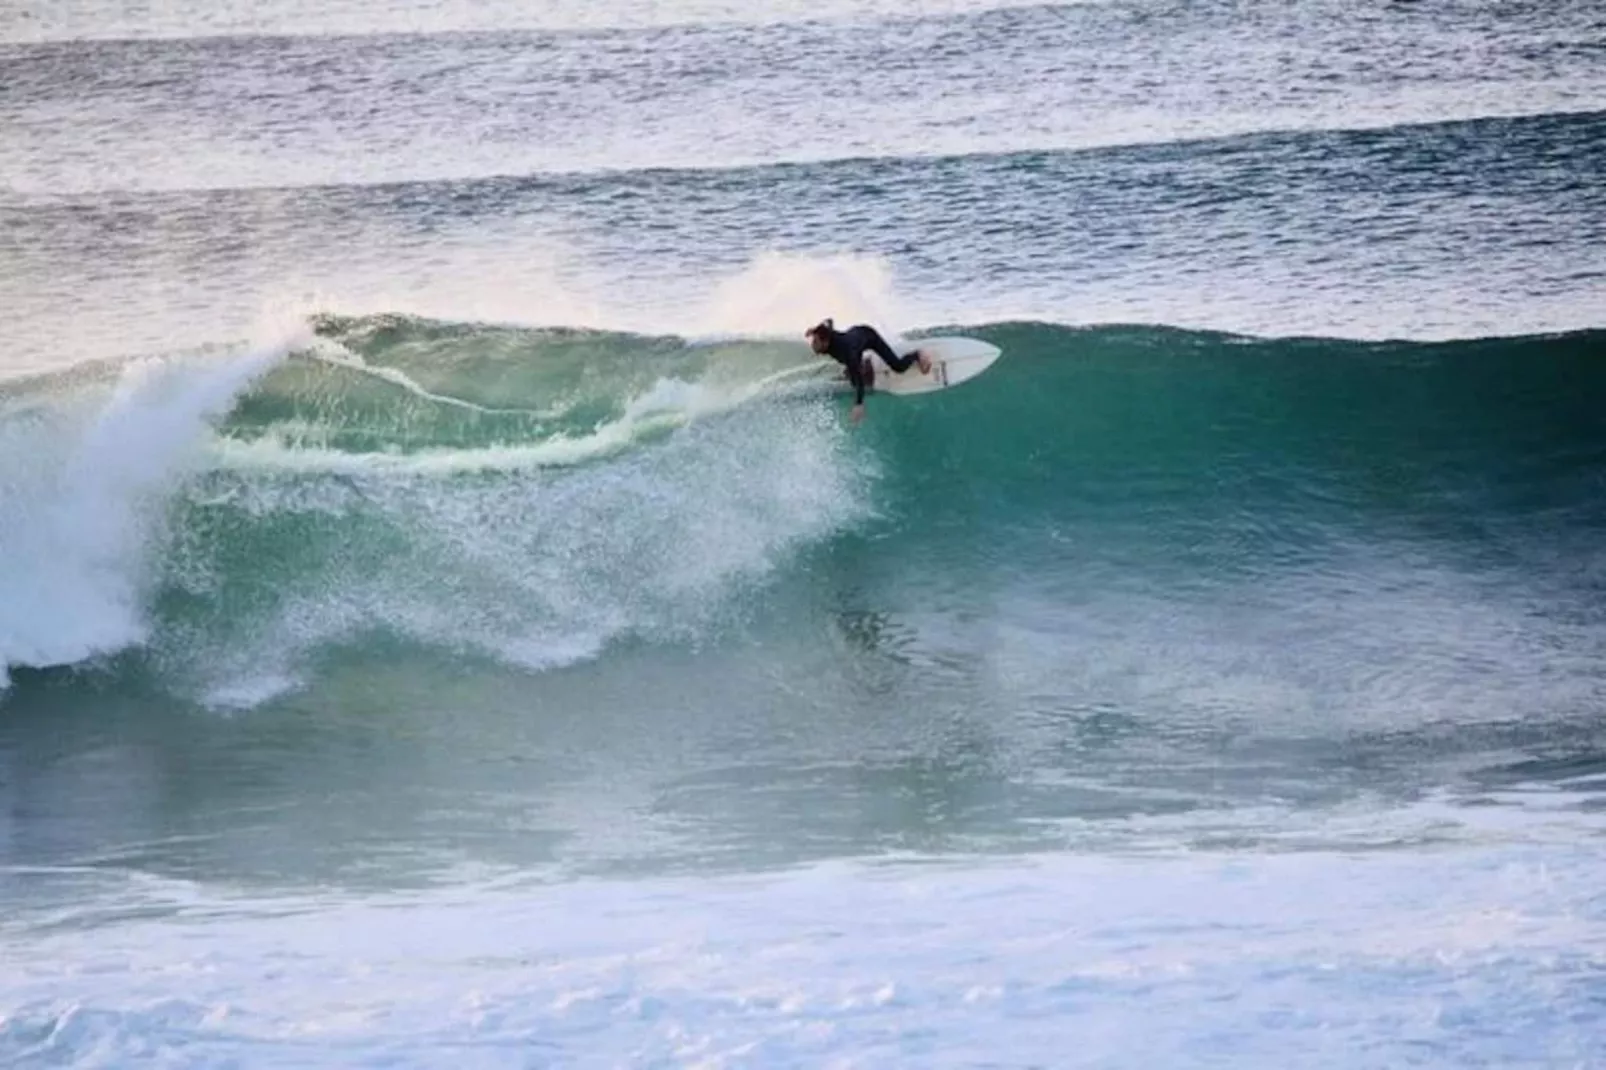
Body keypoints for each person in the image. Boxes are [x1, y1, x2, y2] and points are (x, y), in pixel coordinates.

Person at [805, 318, 932, 424]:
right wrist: (815, 330)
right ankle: (864, 365)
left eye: (816, 341)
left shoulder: (849, 353)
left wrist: (858, 404)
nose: (813, 344)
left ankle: (917, 354)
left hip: (869, 337)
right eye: (813, 340)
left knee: (897, 367)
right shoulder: (827, 334)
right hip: (854, 336)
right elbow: (829, 321)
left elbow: (859, 382)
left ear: (825, 342)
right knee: (851, 371)